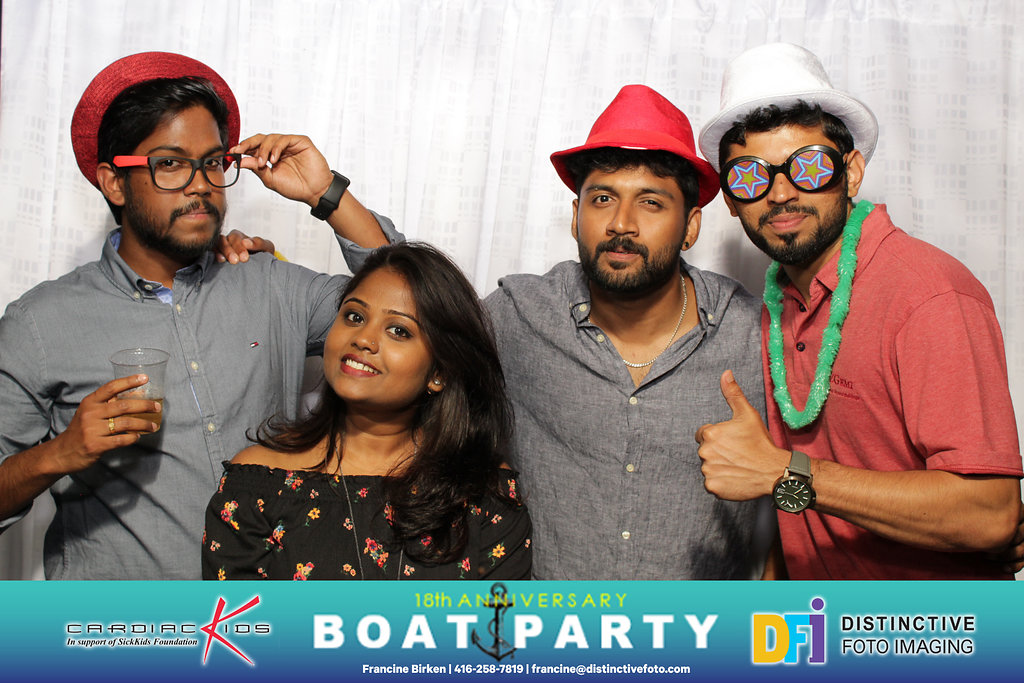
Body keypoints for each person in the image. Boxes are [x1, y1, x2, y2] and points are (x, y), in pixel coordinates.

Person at [224, 86, 771, 579]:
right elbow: (417, 306)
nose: (621, 223)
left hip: (700, 640)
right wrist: (328, 196)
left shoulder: (753, 335)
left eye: (651, 202)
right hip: (539, 637)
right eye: (603, 198)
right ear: (576, 214)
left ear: (691, 225)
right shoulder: (520, 314)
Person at [0, 52, 381, 579]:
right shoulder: (39, 323)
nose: (201, 183)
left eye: (213, 162)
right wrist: (59, 454)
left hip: (266, 620)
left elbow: (417, 309)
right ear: (114, 183)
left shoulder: (271, 285)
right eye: (170, 164)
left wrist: (326, 193)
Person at [694, 42, 1023, 579]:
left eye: (808, 166)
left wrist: (783, 472)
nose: (780, 193)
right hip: (816, 622)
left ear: (850, 172)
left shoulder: (929, 296)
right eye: (750, 176)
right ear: (731, 201)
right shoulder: (781, 301)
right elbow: (806, 499)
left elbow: (989, 515)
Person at [202, 243, 531, 580]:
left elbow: (501, 615)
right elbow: (238, 614)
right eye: (354, 316)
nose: (363, 339)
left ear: (439, 373)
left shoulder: (484, 494)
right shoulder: (255, 485)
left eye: (398, 330)